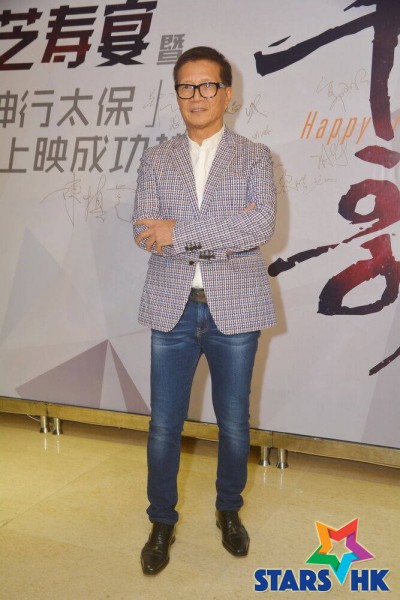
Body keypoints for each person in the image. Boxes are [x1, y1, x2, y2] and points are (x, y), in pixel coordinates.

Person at [133, 46, 277, 576]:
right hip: (171, 308)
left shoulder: (255, 156)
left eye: (207, 85)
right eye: (186, 87)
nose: (197, 96)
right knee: (163, 425)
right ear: (177, 95)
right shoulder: (157, 158)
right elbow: (144, 231)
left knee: (234, 423)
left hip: (235, 309)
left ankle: (228, 511)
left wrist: (179, 230)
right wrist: (222, 233)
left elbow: (259, 226)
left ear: (227, 94)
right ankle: (161, 521)